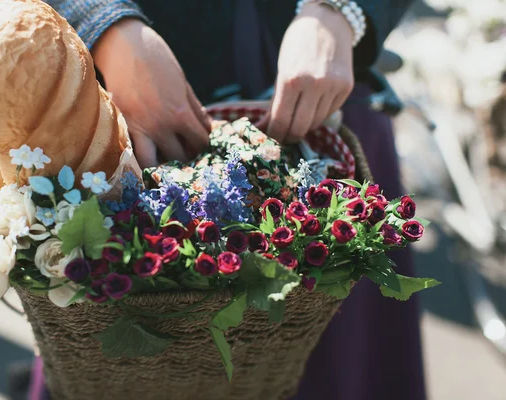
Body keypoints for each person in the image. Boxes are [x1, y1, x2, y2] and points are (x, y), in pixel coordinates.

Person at [27, 1, 425, 399]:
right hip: (132, 106)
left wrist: (338, 13)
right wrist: (107, 26)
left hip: (319, 101)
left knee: (338, 361)